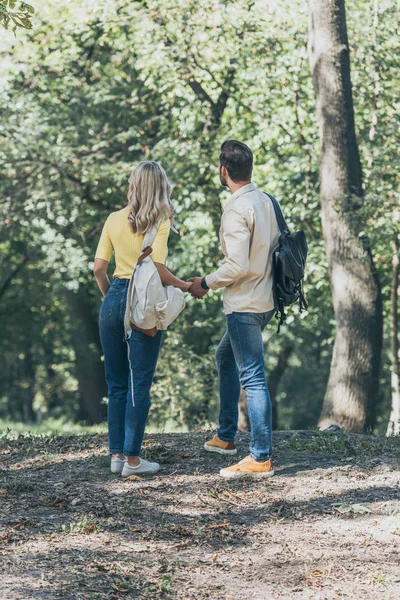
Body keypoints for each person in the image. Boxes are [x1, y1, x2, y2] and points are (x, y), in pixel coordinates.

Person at [94, 161, 191, 478]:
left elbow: (98, 268)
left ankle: (117, 455)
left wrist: (112, 299)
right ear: (160, 187)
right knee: (140, 385)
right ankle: (134, 462)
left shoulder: (112, 219)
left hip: (112, 301)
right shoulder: (160, 221)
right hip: (142, 305)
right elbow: (158, 269)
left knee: (117, 384)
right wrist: (185, 285)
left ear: (134, 185)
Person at [189, 140, 279, 479]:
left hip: (244, 304)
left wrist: (206, 283)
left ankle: (259, 457)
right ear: (250, 168)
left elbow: (236, 266)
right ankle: (226, 436)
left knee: (253, 377)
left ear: (223, 171)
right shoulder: (266, 201)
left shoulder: (236, 208)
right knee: (225, 357)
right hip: (265, 300)